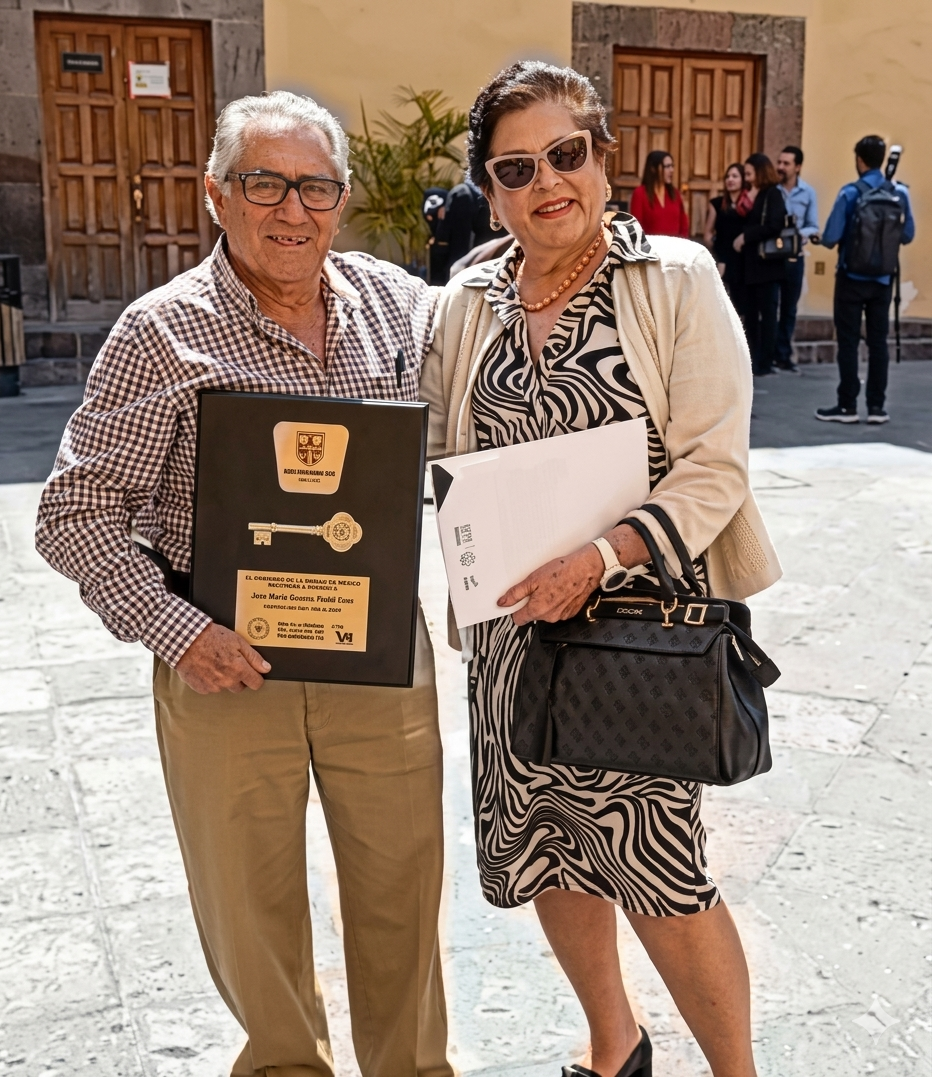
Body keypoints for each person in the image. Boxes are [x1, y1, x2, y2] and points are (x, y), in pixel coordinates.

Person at [35, 91, 452, 1077]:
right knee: (247, 900)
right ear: (216, 195)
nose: (293, 210)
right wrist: (176, 629)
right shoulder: (160, 331)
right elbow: (74, 511)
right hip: (226, 662)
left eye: (316, 187)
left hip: (377, 657)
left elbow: (508, 329)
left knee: (403, 887)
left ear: (341, 200)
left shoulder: (398, 307)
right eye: (265, 183)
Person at [420, 61, 781, 1077]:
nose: (547, 181)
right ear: (489, 190)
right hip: (513, 630)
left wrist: (602, 553)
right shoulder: (465, 302)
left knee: (661, 869)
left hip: (641, 627)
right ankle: (615, 1043)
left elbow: (715, 466)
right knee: (546, 846)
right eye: (516, 168)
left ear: (602, 156)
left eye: (565, 153)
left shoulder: (673, 279)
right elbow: (440, 449)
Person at [815, 134, 915, 424]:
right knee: (878, 343)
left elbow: (831, 237)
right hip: (883, 279)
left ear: (859, 159)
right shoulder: (899, 193)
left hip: (851, 277)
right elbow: (907, 235)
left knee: (848, 342)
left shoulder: (850, 193)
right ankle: (877, 407)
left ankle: (847, 405)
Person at [732, 153, 787, 376]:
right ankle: (752, 358)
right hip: (750, 265)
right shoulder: (749, 194)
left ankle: (765, 361)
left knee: (768, 314)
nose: (746, 178)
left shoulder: (773, 194)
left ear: (760, 172)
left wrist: (747, 236)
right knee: (751, 314)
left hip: (767, 265)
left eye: (749, 173)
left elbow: (775, 225)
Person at [774, 146, 819, 372]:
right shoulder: (773, 191)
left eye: (786, 163)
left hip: (794, 256)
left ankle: (783, 354)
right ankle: (767, 353)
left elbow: (813, 225)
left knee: (789, 307)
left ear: (798, 167)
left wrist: (801, 234)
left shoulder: (808, 193)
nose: (781, 167)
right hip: (772, 257)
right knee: (771, 306)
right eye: (779, 162)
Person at [703, 162, 748, 314]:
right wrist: (717, 252)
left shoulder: (748, 205)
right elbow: (708, 233)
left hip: (743, 260)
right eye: (728, 176)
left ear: (743, 180)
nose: (730, 179)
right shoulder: (717, 204)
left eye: (735, 176)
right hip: (723, 259)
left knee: (743, 306)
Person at [436, 178, 497, 276]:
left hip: (464, 265)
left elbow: (447, 234)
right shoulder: (494, 192)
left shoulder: (460, 193)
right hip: (489, 263)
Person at [629, 150, 690, 237]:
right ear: (653, 169)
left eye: (672, 166)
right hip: (651, 244)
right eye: (667, 166)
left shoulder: (675, 193)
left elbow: (684, 226)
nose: (672, 170)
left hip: (675, 244)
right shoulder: (640, 194)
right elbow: (636, 228)